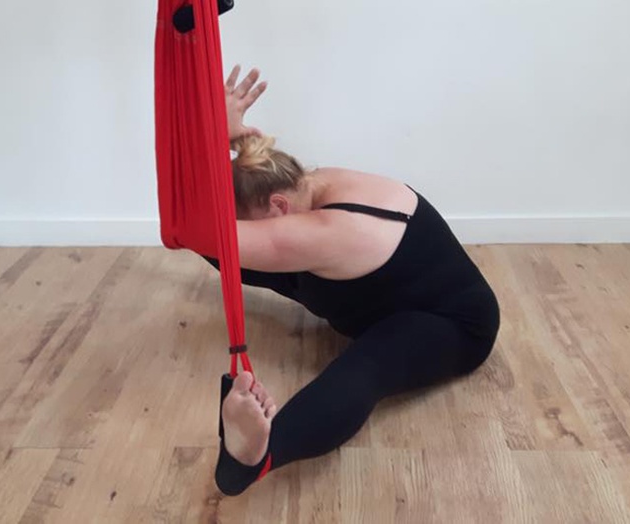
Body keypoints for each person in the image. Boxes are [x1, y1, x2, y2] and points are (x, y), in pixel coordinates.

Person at [210, 66, 500, 496]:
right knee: (223, 251)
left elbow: (195, 226)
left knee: (368, 369)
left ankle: (257, 457)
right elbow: (197, 227)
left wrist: (210, 135)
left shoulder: (331, 231)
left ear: (277, 206)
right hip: (377, 295)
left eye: (253, 224)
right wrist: (222, 135)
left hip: (449, 323)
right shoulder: (303, 182)